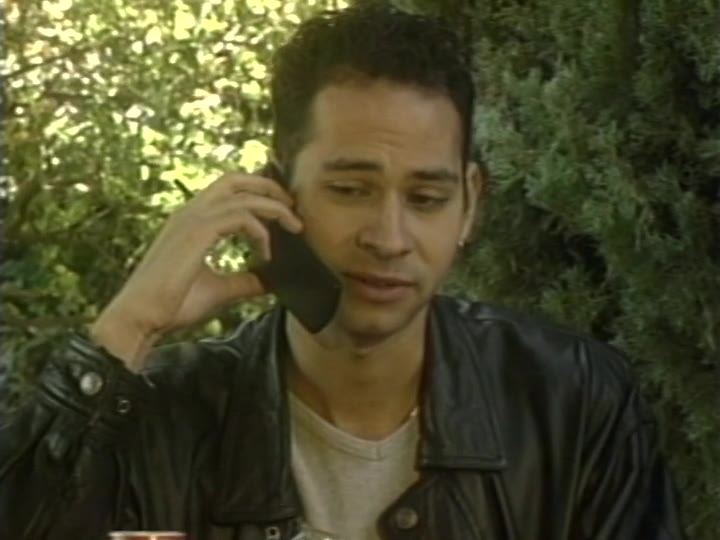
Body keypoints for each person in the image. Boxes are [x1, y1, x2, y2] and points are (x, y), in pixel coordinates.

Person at [0, 4, 685, 540]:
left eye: (427, 198)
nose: (388, 238)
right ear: (277, 192)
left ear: (471, 204)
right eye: (351, 190)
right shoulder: (165, 418)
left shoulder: (573, 401)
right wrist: (127, 326)